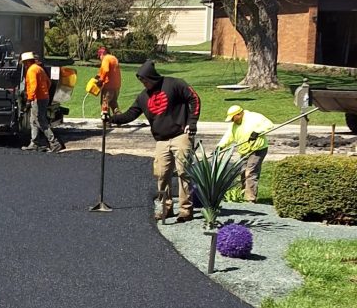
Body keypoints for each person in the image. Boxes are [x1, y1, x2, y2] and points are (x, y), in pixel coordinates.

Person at [107, 60, 201, 222]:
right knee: (162, 175)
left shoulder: (174, 84)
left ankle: (186, 210)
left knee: (184, 173)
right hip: (161, 140)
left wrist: (191, 123)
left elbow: (194, 98)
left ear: (152, 77)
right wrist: (111, 119)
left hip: (180, 135)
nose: (143, 83)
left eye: (145, 80)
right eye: (141, 81)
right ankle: (166, 208)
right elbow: (130, 114)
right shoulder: (143, 97)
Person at [217, 105, 274, 203]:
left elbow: (269, 124)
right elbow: (228, 136)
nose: (232, 120)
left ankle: (250, 199)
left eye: (232, 118)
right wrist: (220, 146)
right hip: (244, 151)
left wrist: (257, 132)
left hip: (257, 149)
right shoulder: (234, 125)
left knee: (250, 173)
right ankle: (244, 196)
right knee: (243, 173)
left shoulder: (254, 117)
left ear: (238, 114)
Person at [20, 52, 66, 153]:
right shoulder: (39, 68)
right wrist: (44, 92)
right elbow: (48, 83)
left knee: (40, 121)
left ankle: (54, 143)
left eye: (24, 62)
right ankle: (34, 143)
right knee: (33, 120)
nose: (24, 64)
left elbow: (33, 86)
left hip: (37, 99)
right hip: (43, 97)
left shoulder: (31, 70)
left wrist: (29, 99)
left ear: (27, 61)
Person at [95, 46, 121, 115]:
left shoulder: (105, 59)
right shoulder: (113, 58)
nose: (100, 59)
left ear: (101, 54)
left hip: (108, 86)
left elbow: (106, 70)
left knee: (105, 103)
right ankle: (119, 119)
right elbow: (109, 70)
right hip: (117, 86)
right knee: (113, 103)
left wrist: (100, 80)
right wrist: (98, 75)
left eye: (99, 56)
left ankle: (106, 122)